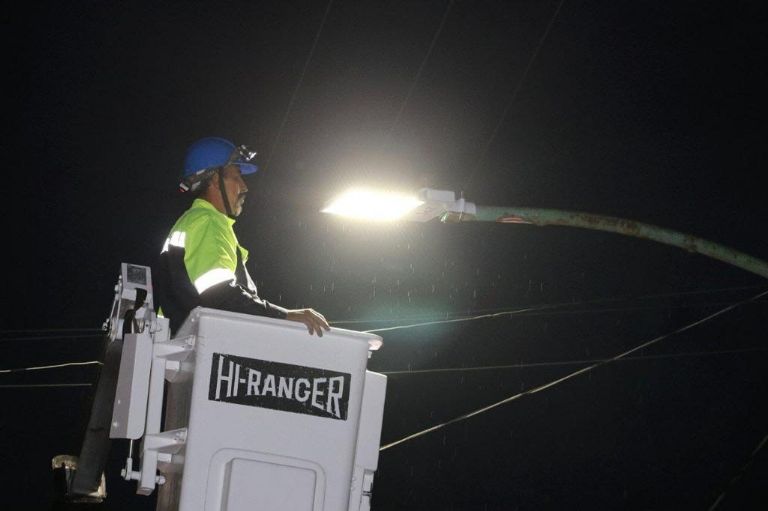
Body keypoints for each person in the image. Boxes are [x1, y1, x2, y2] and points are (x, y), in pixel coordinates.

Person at [155, 136, 330, 337]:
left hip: (186, 349)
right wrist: (286, 316)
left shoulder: (196, 221)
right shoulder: (208, 221)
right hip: (199, 351)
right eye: (237, 177)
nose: (244, 187)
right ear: (214, 179)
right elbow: (221, 297)